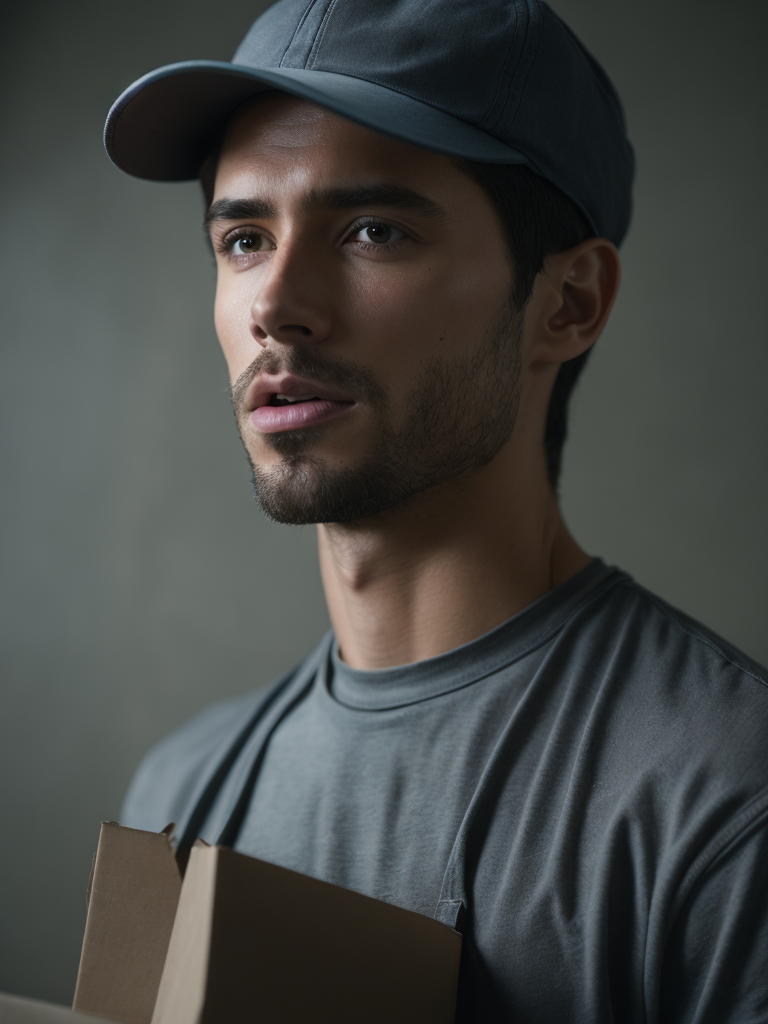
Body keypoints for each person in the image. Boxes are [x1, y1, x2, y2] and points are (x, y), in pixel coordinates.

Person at [105, 0, 768, 1019]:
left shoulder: (728, 795)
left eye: (373, 229)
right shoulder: (176, 796)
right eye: (242, 237)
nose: (276, 302)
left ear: (569, 304)